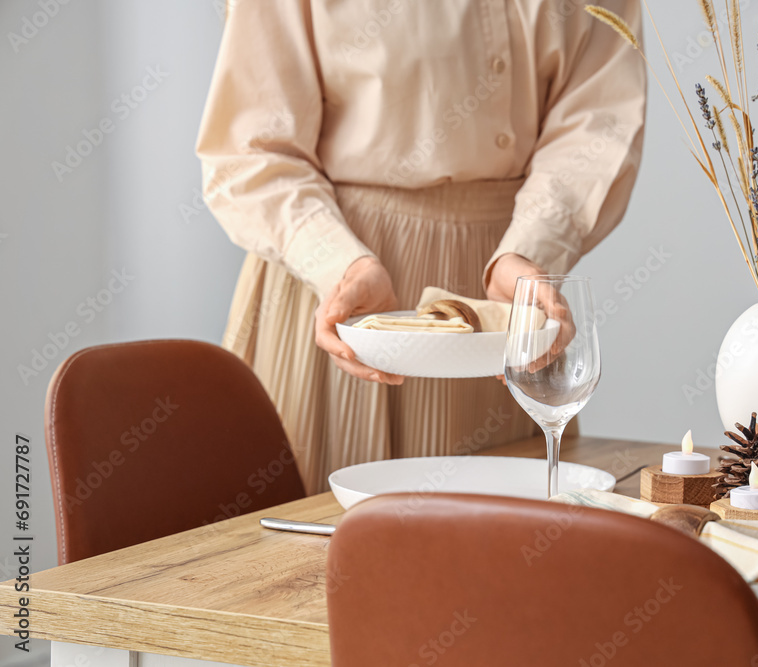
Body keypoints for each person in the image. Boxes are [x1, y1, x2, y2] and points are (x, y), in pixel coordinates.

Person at [196, 0, 646, 494]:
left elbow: (597, 119)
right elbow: (253, 148)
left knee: (506, 548)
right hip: (341, 289)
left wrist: (531, 248)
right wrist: (336, 264)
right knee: (306, 552)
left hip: (500, 305)